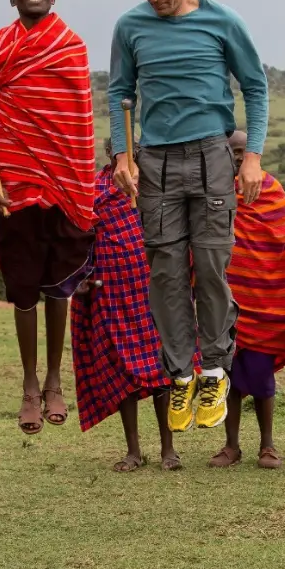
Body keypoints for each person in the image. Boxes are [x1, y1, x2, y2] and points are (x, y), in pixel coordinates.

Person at [108, 0, 270, 433]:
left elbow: (255, 86)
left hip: (211, 155)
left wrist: (254, 158)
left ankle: (216, 370)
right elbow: (119, 92)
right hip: (154, 161)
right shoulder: (129, 26)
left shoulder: (224, 21)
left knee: (212, 265)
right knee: (166, 272)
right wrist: (121, 153)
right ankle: (180, 377)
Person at [0, 0, 96, 435]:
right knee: (22, 287)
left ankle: (57, 380)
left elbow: (77, 118)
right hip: (14, 182)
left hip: (62, 180)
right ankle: (29, 385)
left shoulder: (72, 47)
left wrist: (77, 177)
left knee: (58, 285)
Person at [70, 139, 182, 471]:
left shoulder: (159, 184)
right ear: (111, 155)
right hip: (112, 290)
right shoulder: (96, 188)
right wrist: (81, 279)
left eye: (138, 152)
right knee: (123, 373)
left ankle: (168, 450)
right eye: (123, 152)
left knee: (160, 370)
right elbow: (81, 237)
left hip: (154, 289)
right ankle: (133, 451)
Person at [208, 131, 285, 469]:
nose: (237, 158)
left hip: (266, 301)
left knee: (263, 375)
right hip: (226, 301)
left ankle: (268, 446)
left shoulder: (273, 191)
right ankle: (231, 446)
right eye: (231, 152)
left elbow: (283, 244)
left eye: (242, 152)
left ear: (255, 154)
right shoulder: (215, 190)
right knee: (230, 373)